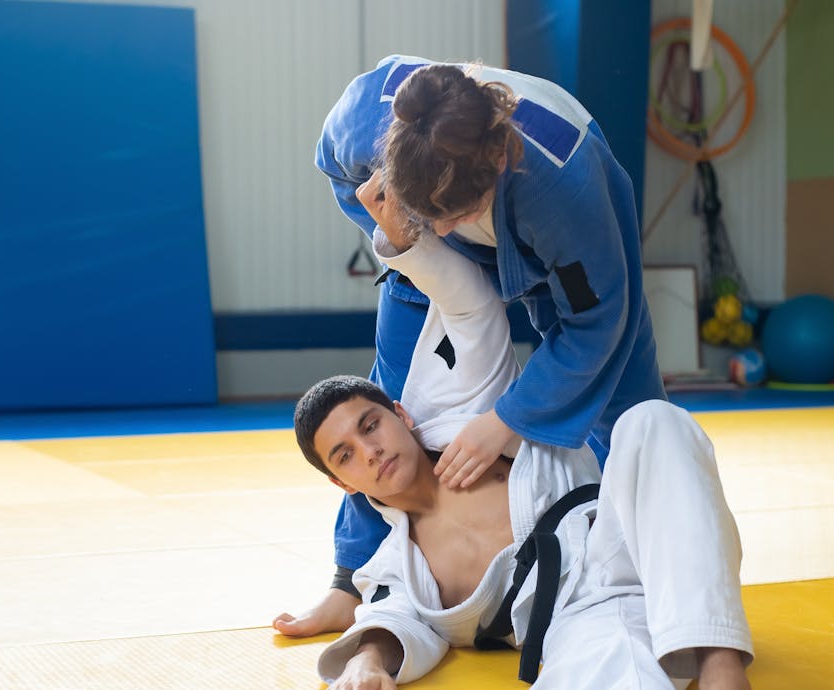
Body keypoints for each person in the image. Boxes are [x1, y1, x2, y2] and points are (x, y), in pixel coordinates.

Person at [274, 55, 665, 638]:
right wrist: (402, 236)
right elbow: (334, 168)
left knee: (635, 415)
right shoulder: (362, 125)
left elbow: (596, 324)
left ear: (500, 159)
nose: (452, 231)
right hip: (412, 228)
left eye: (460, 214)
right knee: (380, 416)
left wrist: (504, 420)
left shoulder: (565, 187)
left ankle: (651, 572)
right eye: (440, 217)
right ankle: (351, 578)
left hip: (556, 233)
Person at [292, 377, 789, 690]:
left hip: (630, 539)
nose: (370, 451)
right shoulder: (394, 562)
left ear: (401, 416)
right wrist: (367, 660)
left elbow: (478, 325)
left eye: (371, 425)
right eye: (345, 455)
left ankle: (725, 681)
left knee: (653, 418)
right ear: (342, 484)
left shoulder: (491, 441)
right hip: (578, 618)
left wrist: (503, 426)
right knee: (597, 648)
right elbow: (389, 616)